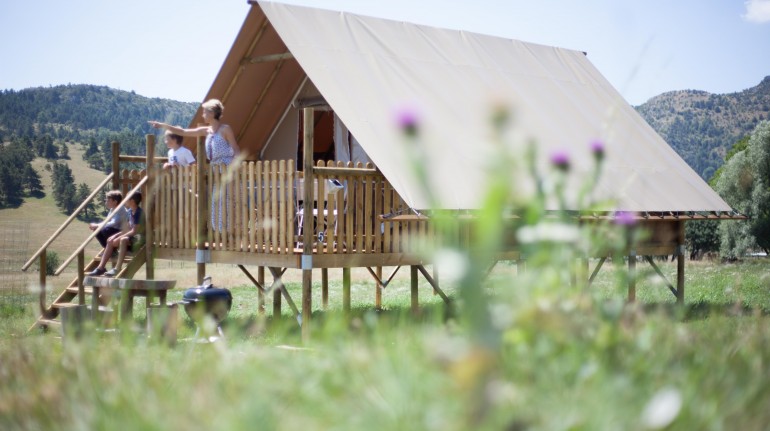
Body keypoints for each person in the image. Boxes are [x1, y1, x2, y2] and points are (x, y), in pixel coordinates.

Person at [149, 99, 240, 231]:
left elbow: (236, 150)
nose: (203, 114)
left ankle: (228, 232)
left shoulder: (225, 129)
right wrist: (163, 125)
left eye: (205, 111)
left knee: (226, 202)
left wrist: (233, 167)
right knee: (215, 203)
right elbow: (184, 132)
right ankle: (221, 233)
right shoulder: (206, 130)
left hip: (227, 167)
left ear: (212, 113)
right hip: (215, 169)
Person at [87, 192, 144, 277]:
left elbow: (134, 231)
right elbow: (127, 229)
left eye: (127, 198)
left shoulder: (139, 213)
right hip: (131, 236)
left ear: (132, 201)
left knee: (123, 239)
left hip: (139, 238)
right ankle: (100, 268)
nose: (125, 200)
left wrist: (120, 237)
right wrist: (115, 236)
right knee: (110, 240)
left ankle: (117, 268)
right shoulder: (129, 212)